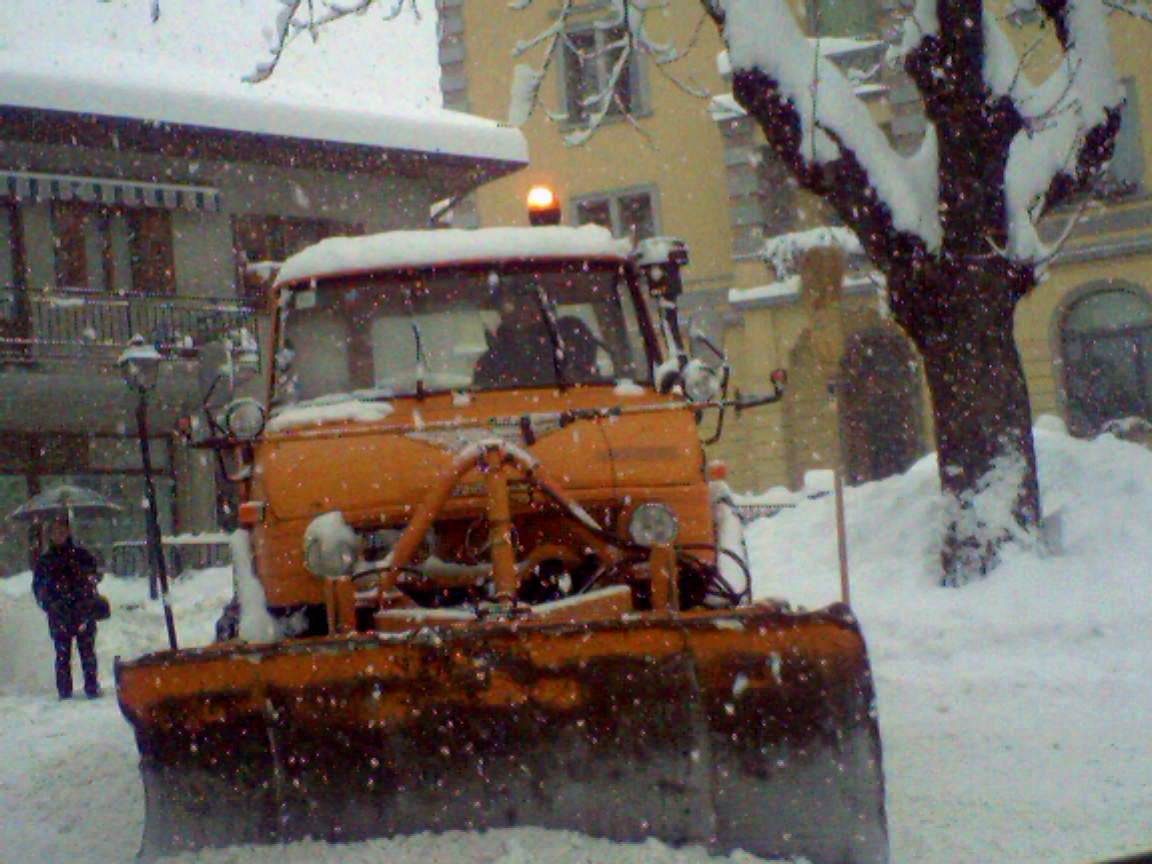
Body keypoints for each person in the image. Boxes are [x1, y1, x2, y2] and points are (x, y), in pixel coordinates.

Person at [32, 519, 104, 700]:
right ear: (50, 535)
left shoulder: (81, 556)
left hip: (83, 611)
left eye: (62, 531)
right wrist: (50, 605)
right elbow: (39, 588)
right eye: (55, 532)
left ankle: (91, 687)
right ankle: (64, 691)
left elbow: (94, 575)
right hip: (59, 614)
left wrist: (87, 586)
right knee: (62, 655)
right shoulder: (45, 561)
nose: (59, 535)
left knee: (87, 652)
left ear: (68, 532)